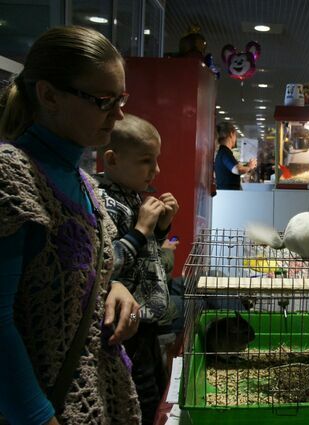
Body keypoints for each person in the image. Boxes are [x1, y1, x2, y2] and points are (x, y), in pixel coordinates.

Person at [0, 26, 141, 424]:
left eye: (121, 99)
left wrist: (115, 288)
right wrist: (36, 416)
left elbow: (72, 277)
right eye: (104, 101)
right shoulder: (12, 177)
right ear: (49, 96)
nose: (118, 114)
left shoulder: (85, 184)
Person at [95, 113, 179, 424]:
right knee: (139, 401)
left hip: (146, 325)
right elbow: (106, 264)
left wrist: (161, 227)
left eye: (156, 160)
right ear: (112, 159)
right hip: (125, 326)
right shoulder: (102, 201)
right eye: (146, 161)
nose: (156, 170)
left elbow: (144, 258)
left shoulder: (133, 195)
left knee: (155, 394)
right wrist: (141, 230)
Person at [214, 122, 256, 190]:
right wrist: (250, 167)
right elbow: (237, 169)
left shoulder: (222, 152)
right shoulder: (225, 152)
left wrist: (247, 165)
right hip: (229, 194)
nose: (235, 139)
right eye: (235, 135)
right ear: (231, 134)